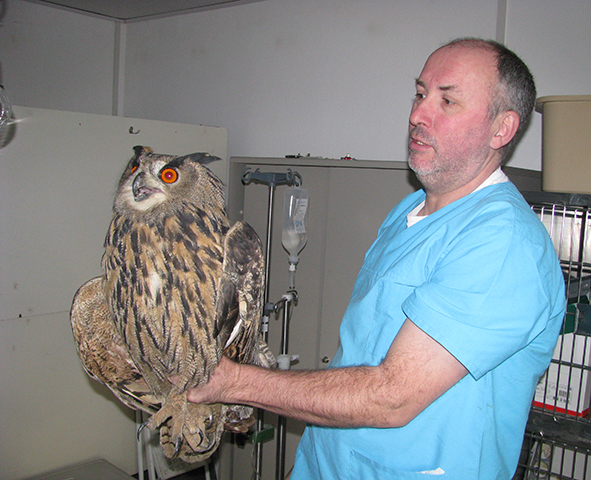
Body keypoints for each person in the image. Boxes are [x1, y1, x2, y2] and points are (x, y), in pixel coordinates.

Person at [189, 37, 566, 479]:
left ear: (501, 129)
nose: (417, 114)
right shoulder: (407, 212)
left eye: (447, 100)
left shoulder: (504, 242)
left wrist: (234, 381)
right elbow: (358, 360)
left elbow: (392, 395)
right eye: (421, 93)